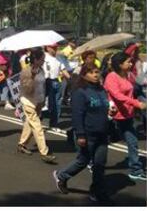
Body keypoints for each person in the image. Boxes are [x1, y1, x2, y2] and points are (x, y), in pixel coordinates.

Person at [54, 61, 113, 203]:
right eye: (91, 72)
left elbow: (103, 106)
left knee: (99, 164)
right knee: (83, 160)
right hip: (87, 133)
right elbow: (77, 114)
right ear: (84, 75)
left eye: (97, 72)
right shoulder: (80, 92)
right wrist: (80, 134)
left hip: (102, 133)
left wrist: (110, 111)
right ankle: (61, 176)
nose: (95, 75)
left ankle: (97, 192)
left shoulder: (101, 90)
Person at [104, 52, 147, 182]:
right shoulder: (111, 77)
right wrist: (137, 103)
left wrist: (135, 106)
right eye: (128, 62)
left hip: (127, 115)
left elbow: (132, 92)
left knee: (132, 142)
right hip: (113, 115)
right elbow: (117, 95)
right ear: (119, 64)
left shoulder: (127, 75)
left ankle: (136, 170)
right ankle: (91, 161)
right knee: (102, 141)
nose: (131, 63)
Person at [18, 49, 58, 164]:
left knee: (29, 124)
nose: (43, 62)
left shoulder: (41, 70)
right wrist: (32, 76)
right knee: (37, 127)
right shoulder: (26, 71)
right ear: (35, 59)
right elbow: (27, 89)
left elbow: (43, 86)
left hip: (38, 101)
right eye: (42, 60)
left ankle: (22, 144)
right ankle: (44, 152)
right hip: (28, 101)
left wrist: (42, 101)